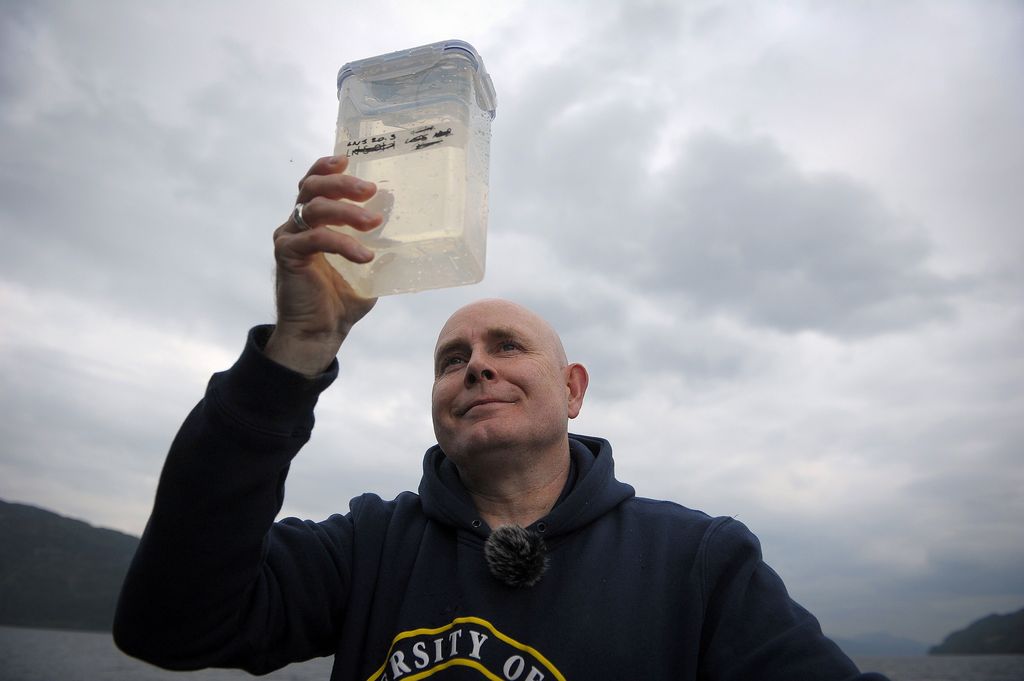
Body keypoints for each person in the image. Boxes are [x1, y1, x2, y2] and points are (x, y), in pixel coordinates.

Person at [114, 157, 890, 680]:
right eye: (451, 358)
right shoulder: (366, 548)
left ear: (574, 389)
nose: (476, 365)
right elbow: (169, 625)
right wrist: (299, 347)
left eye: (507, 347)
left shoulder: (697, 561)